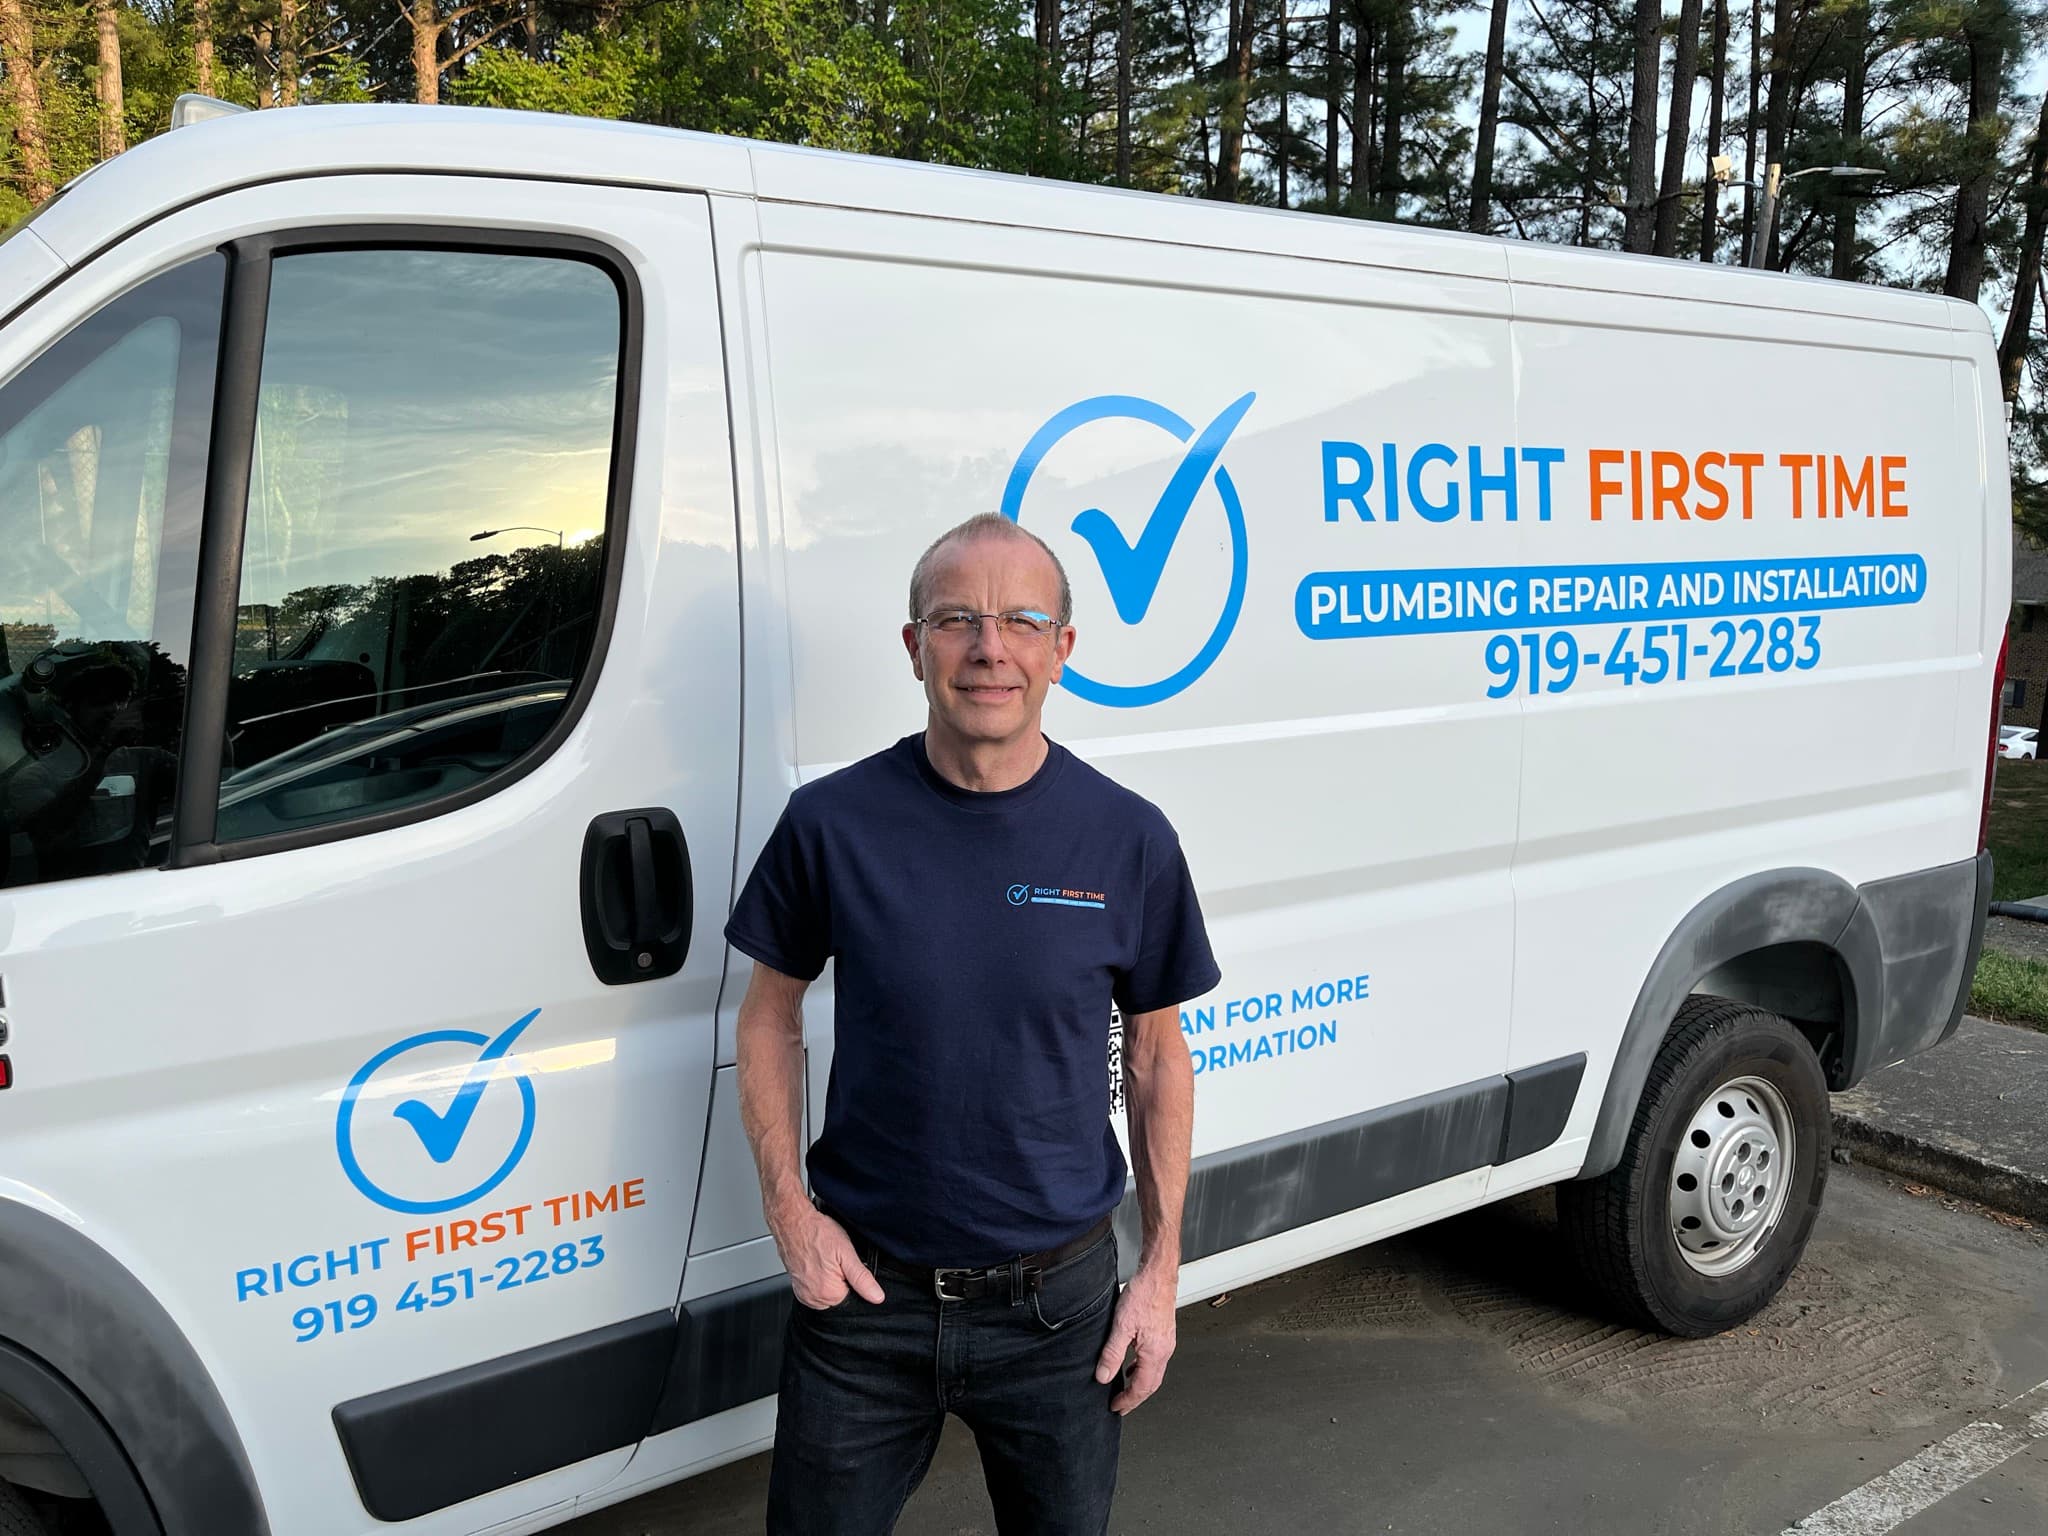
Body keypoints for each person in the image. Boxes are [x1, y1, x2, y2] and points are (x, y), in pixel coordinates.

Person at [727, 512, 1219, 1535]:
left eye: (1020, 620)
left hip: (1059, 1312)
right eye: (956, 620)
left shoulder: (1126, 838)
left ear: (1061, 651)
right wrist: (789, 1214)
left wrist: (1161, 1274)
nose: (989, 648)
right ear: (913, 647)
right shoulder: (832, 825)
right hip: (862, 1304)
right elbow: (768, 1019)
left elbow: (1159, 1056)